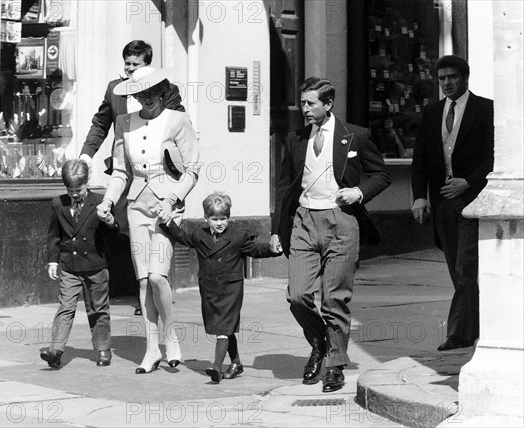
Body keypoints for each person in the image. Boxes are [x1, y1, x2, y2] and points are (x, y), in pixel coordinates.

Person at [270, 77, 390, 393]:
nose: (305, 109)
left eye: (311, 103)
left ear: (328, 104)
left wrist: (360, 193)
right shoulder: (295, 138)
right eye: (303, 102)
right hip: (304, 221)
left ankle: (335, 366)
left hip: (342, 221)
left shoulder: (356, 136)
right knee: (297, 295)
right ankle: (321, 342)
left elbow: (382, 175)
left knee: (335, 297)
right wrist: (275, 229)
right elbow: (284, 186)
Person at [96, 66, 200, 374]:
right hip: (136, 207)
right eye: (141, 94)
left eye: (154, 92)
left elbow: (192, 170)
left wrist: (172, 200)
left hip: (167, 208)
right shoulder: (123, 123)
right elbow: (119, 172)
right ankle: (152, 347)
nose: (148, 99)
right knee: (143, 282)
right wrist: (107, 200)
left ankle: (171, 338)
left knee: (158, 277)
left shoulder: (178, 120)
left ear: (163, 91)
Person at [80, 40, 184, 317]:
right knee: (129, 231)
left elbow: (177, 125)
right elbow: (101, 123)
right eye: (126, 63)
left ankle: (154, 288)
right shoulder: (115, 89)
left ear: (147, 66)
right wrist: (87, 154)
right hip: (125, 172)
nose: (129, 68)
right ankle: (143, 289)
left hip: (159, 175)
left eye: (135, 64)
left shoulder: (166, 90)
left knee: (158, 233)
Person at [411, 55, 494, 352]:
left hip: (472, 199)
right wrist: (419, 195)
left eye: (452, 77)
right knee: (456, 269)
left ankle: (460, 333)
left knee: (465, 266)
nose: (446, 83)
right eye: (442, 78)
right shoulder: (432, 113)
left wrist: (469, 181)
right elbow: (420, 157)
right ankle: (479, 327)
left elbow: (493, 156)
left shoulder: (485, 109)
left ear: (465, 78)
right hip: (443, 201)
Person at [160, 192, 281, 383]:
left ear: (229, 218)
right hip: (209, 288)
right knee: (223, 327)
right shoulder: (200, 235)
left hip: (231, 289)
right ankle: (236, 363)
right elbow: (182, 237)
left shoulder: (238, 236)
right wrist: (167, 223)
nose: (219, 222)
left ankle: (216, 367)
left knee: (224, 328)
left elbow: (255, 249)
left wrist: (272, 249)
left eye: (223, 218)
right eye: (214, 218)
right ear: (206, 218)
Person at [41, 159, 119, 369]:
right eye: (70, 190)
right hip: (69, 266)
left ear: (87, 182)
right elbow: (54, 235)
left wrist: (110, 220)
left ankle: (103, 349)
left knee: (98, 309)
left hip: (95, 266)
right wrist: (52, 262)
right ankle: (55, 350)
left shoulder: (101, 202)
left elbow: (114, 233)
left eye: (79, 189)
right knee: (65, 307)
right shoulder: (58, 203)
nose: (75, 194)